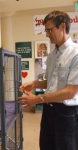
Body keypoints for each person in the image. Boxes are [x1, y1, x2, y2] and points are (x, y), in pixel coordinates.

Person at [18, 10, 78, 150]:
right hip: (49, 111)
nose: (47, 34)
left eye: (50, 30)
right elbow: (51, 81)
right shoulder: (52, 56)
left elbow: (71, 91)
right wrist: (34, 83)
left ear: (63, 27)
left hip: (67, 113)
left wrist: (38, 99)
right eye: (46, 30)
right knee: (46, 145)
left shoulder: (75, 53)